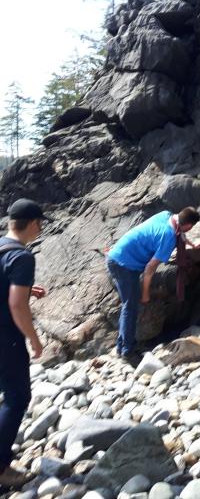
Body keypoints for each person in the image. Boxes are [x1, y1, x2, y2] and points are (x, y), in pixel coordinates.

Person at [106, 207, 200, 365]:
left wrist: (191, 244)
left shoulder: (166, 215)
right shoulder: (168, 236)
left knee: (128, 306)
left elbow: (181, 233)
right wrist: (145, 293)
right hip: (123, 265)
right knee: (130, 306)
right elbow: (150, 268)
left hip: (118, 255)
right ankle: (127, 352)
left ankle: (121, 346)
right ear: (188, 225)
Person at [0, 199, 49, 489]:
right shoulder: (22, 257)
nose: (40, 229)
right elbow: (17, 306)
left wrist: (27, 287)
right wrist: (34, 339)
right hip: (6, 338)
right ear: (32, 224)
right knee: (17, 397)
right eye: (39, 224)